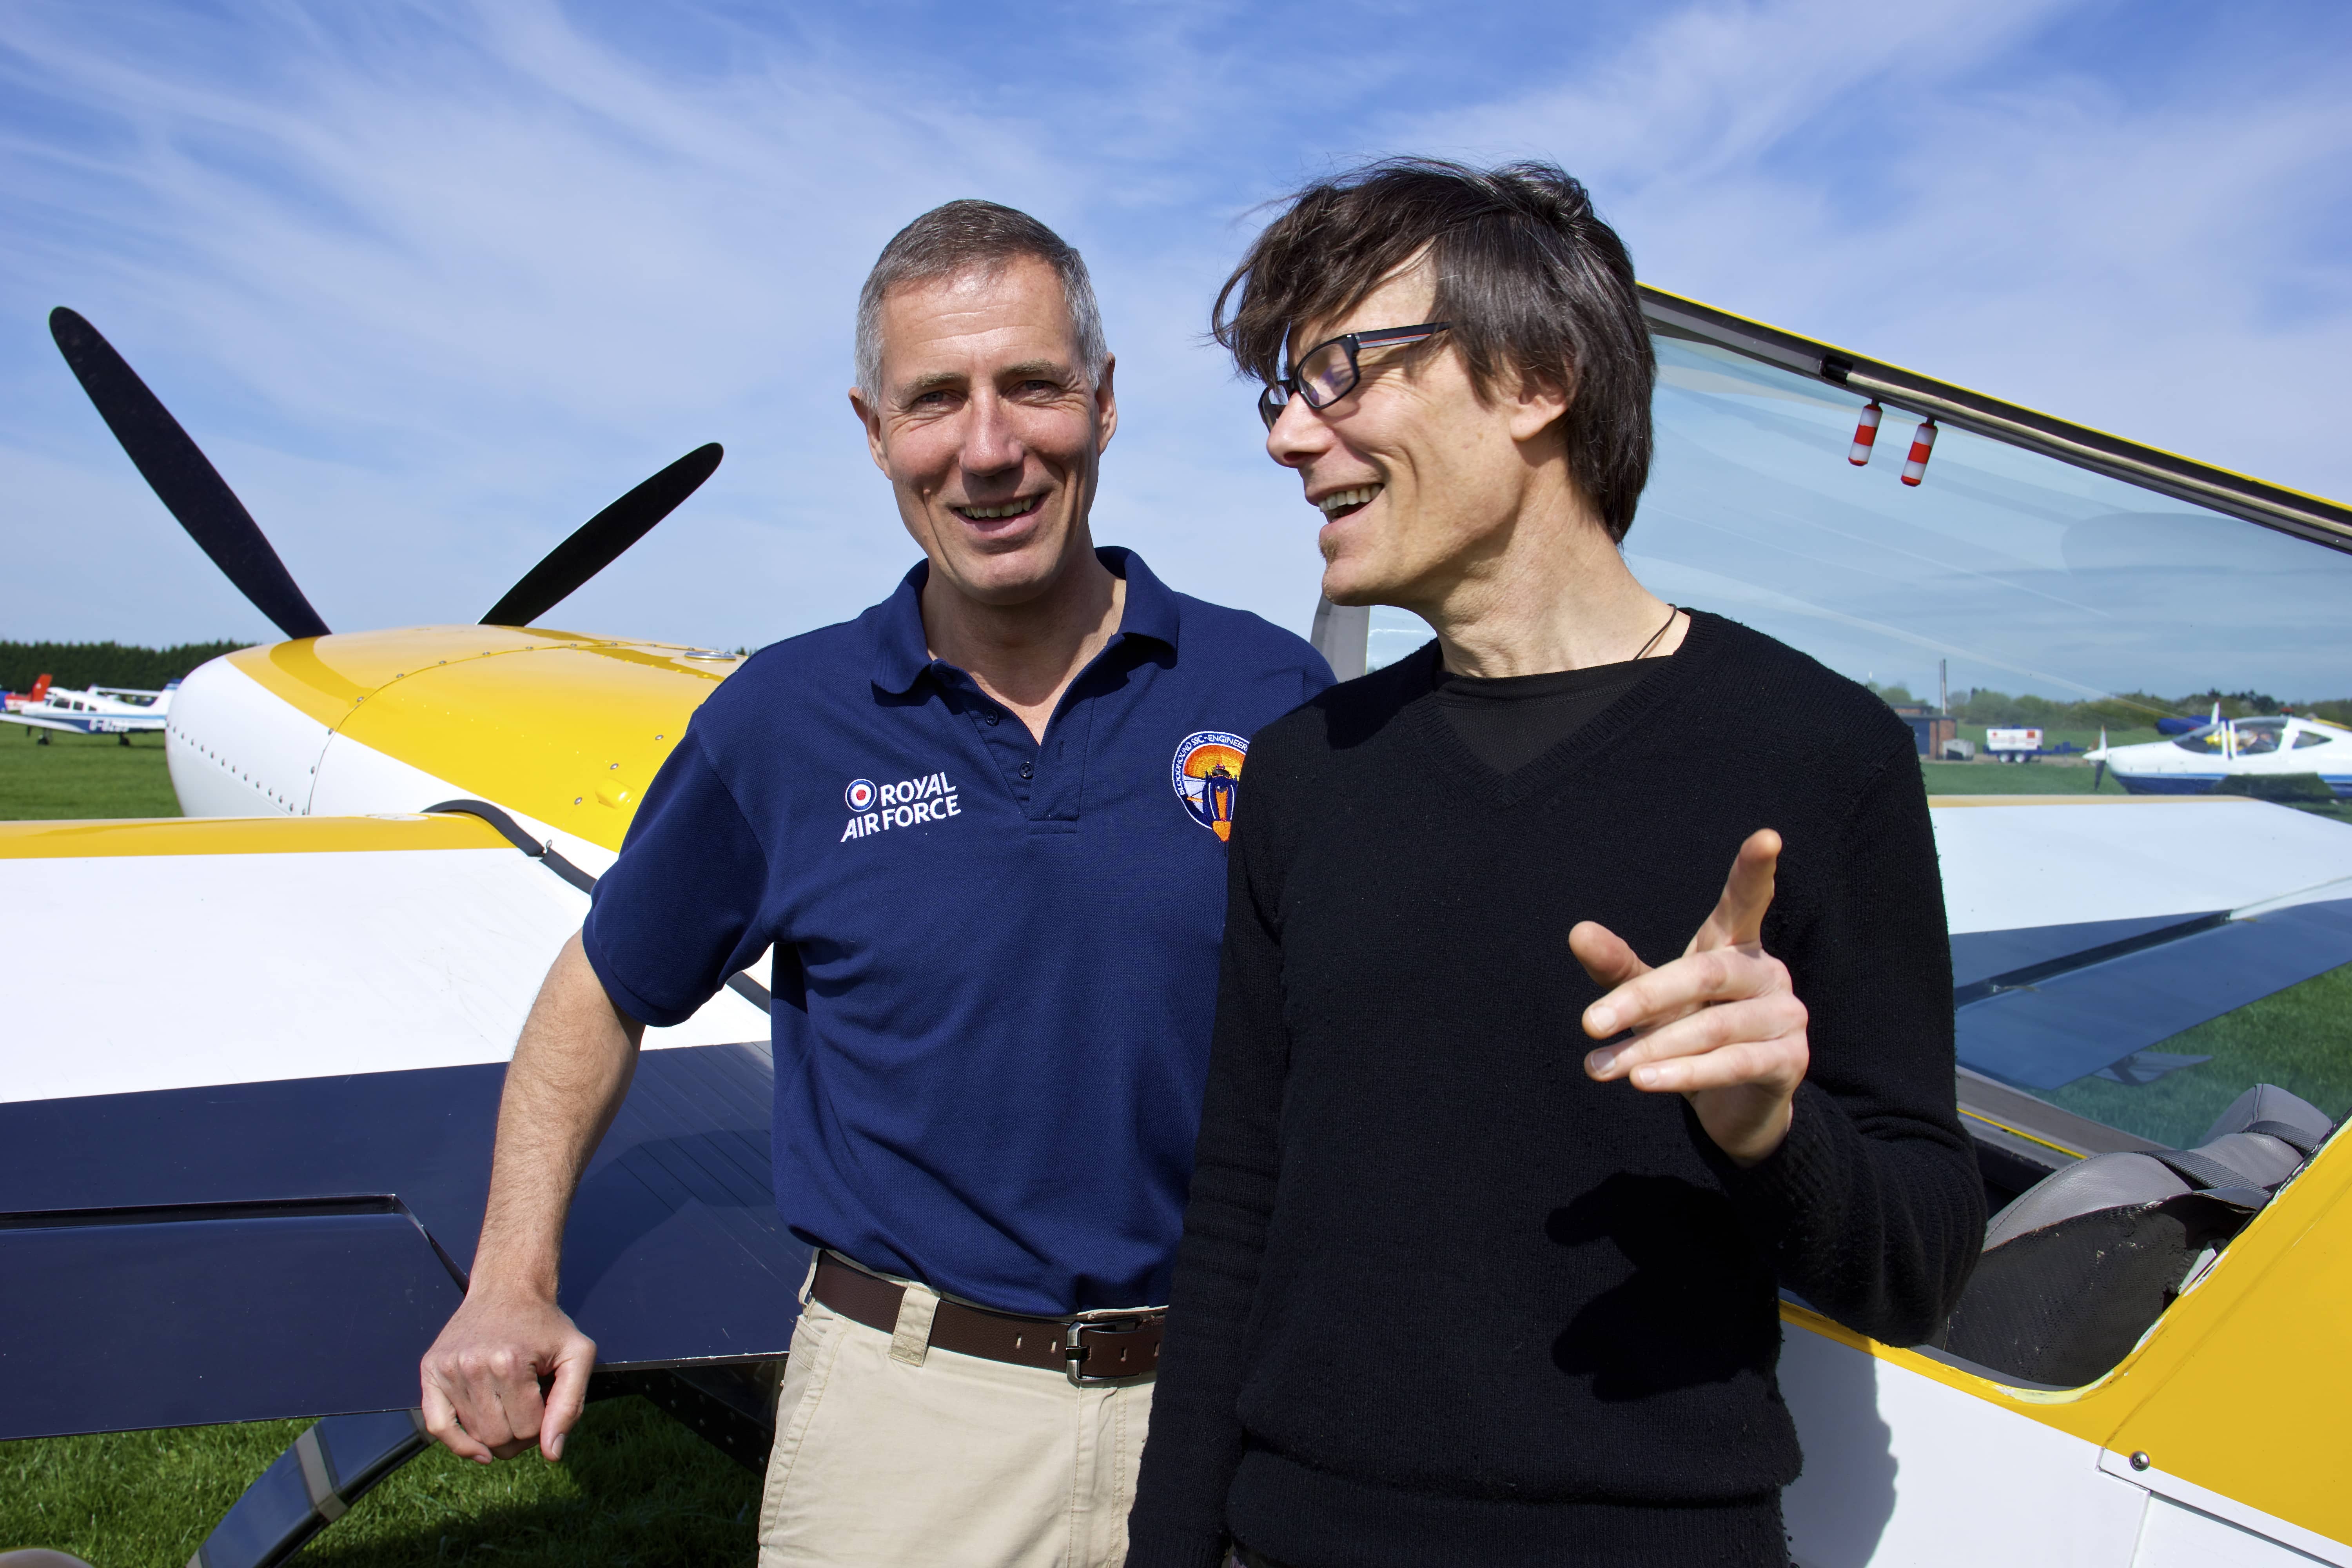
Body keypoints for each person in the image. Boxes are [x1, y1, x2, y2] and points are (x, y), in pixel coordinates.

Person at [417, 199, 1331, 1566]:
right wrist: (509, 1282)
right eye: (932, 402)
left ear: (1106, 402)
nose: (988, 450)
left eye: (1032, 387)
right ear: (872, 432)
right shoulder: (782, 721)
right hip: (912, 1421)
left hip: (1225, 1391)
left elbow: (1363, 1022)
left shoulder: (1270, 693)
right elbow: (605, 986)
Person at [1125, 159, 1985, 1568]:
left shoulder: (1822, 756)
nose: (1290, 434)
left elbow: (1922, 1266)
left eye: (1340, 369)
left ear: (1534, 377)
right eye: (1281, 391)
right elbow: (1235, 1218)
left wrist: (1773, 1127)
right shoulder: (1302, 777)